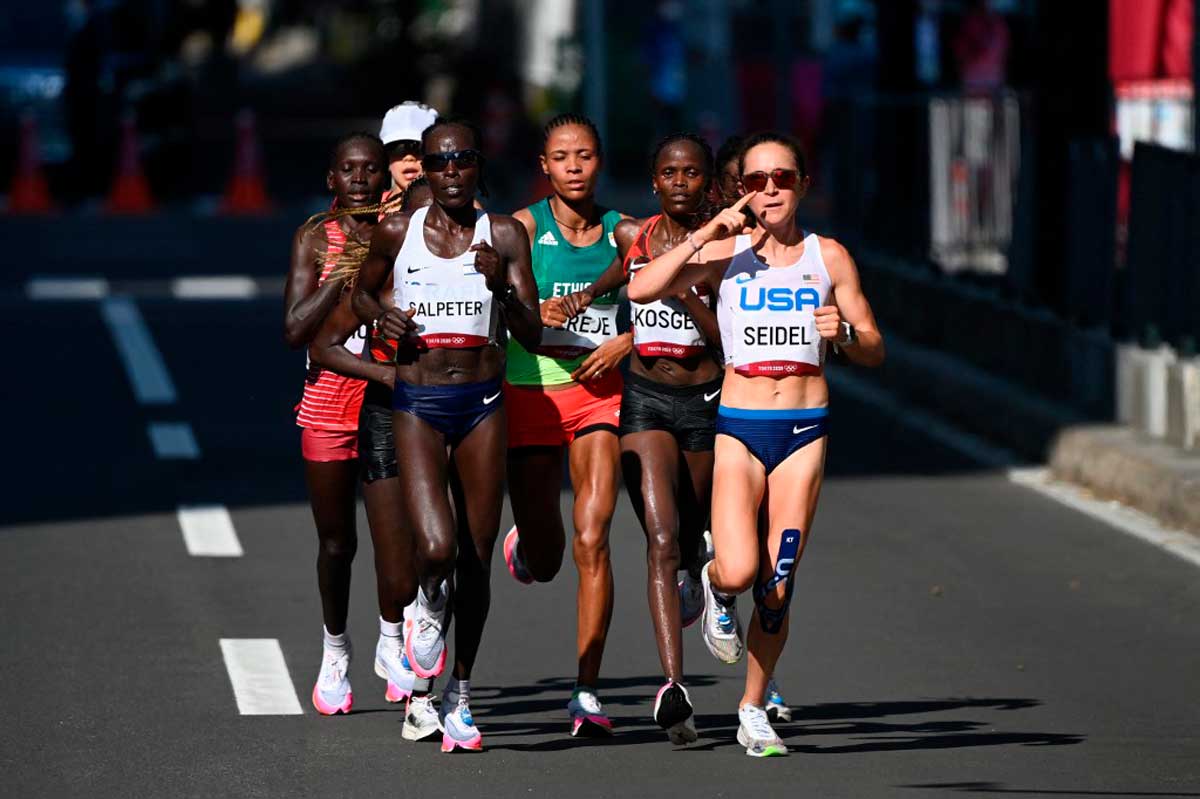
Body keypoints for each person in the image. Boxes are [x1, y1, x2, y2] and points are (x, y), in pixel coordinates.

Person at [627, 131, 885, 757]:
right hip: (740, 431)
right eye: (755, 180)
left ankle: (751, 706)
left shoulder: (831, 258)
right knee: (743, 570)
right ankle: (716, 582)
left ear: (802, 185)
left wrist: (844, 332)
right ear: (740, 190)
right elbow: (641, 289)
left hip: (803, 431)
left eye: (783, 178)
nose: (770, 190)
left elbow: (875, 346)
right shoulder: (728, 251)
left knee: (778, 582)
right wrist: (703, 233)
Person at [353, 118, 541, 752]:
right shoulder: (397, 231)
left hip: (483, 403)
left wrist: (499, 287)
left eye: (462, 159)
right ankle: (429, 603)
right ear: (425, 172)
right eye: (439, 162)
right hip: (418, 403)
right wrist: (383, 318)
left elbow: (533, 331)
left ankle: (459, 694)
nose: (451, 171)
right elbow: (359, 294)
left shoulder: (506, 235)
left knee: (478, 554)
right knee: (436, 546)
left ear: (477, 164)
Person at [499, 113, 631, 736]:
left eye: (585, 155)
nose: (574, 166)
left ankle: (586, 692)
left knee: (593, 538)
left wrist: (626, 340)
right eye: (561, 156)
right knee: (550, 556)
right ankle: (525, 544)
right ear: (544, 167)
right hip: (529, 395)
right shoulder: (521, 230)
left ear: (599, 162)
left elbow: (672, 295)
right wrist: (529, 313)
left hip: (598, 398)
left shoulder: (625, 232)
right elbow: (489, 306)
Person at [307, 177, 443, 739]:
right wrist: (353, 294)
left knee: (435, 548)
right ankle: (338, 648)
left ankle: (405, 649)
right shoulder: (359, 264)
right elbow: (308, 336)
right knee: (341, 543)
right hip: (342, 410)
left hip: (438, 417)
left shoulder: (480, 256)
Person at [282, 132, 387, 716]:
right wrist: (340, 274)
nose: (360, 179)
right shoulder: (314, 236)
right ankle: (335, 649)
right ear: (331, 179)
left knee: (400, 540)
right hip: (328, 404)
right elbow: (294, 330)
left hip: (390, 405)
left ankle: (395, 639)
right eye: (348, 169)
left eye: (370, 169)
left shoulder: (402, 232)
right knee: (338, 542)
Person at [379, 101, 439, 209]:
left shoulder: (463, 208)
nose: (409, 157)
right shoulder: (368, 210)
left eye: (419, 148)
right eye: (397, 148)